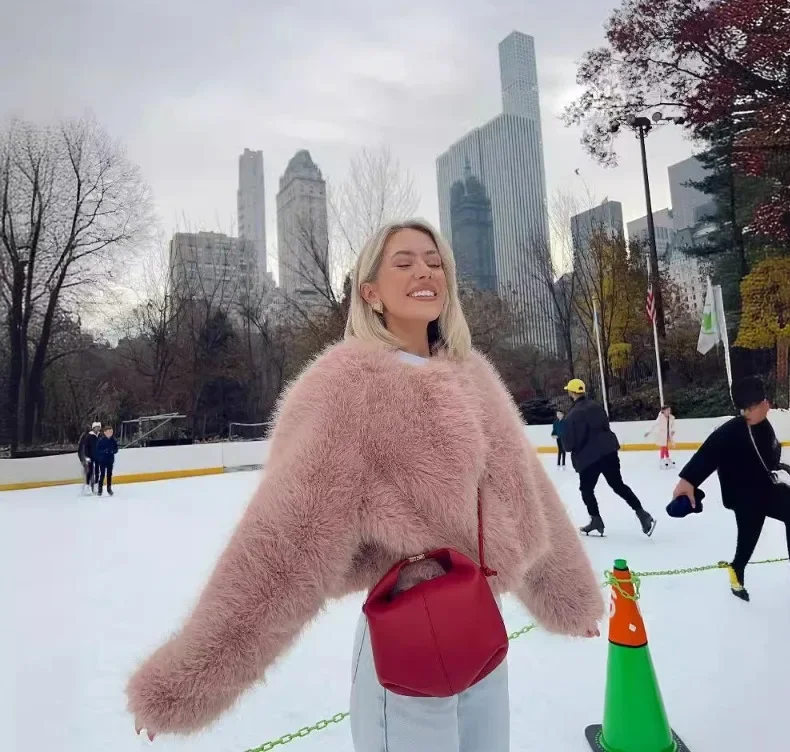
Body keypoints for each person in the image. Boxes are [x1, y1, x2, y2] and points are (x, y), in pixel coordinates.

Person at [126, 220, 603, 751]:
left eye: (434, 260)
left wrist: (570, 597)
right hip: (404, 638)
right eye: (403, 262)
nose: (424, 270)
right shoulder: (346, 387)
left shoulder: (473, 374)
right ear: (369, 292)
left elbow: (525, 493)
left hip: (478, 630)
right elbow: (284, 545)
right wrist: (187, 684)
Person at [672, 376, 790, 602]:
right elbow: (706, 456)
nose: (768, 405)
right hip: (745, 498)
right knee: (750, 541)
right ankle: (738, 571)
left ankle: (746, 571)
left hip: (765, 489)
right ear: (749, 409)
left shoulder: (762, 424)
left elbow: (770, 455)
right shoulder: (730, 432)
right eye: (763, 403)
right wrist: (687, 481)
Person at [561, 378, 656, 537]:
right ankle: (642, 513)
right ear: (583, 391)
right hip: (608, 452)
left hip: (588, 458)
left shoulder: (570, 417)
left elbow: (568, 446)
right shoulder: (597, 407)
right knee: (618, 485)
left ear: (571, 393)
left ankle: (596, 520)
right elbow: (606, 427)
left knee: (586, 489)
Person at [77, 422, 102, 494]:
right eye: (96, 427)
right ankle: (87, 487)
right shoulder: (86, 436)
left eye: (98, 427)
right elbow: (83, 448)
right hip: (87, 456)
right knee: (89, 471)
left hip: (95, 456)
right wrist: (85, 458)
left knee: (95, 471)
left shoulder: (99, 435)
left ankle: (93, 486)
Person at [95, 425, 118, 497]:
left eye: (111, 432)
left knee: (109, 474)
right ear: (105, 432)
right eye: (109, 432)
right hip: (102, 460)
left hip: (110, 460)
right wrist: (104, 451)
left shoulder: (113, 440)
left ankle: (109, 488)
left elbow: (116, 449)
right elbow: (97, 450)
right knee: (102, 474)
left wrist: (112, 451)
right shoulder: (101, 441)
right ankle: (100, 488)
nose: (110, 433)